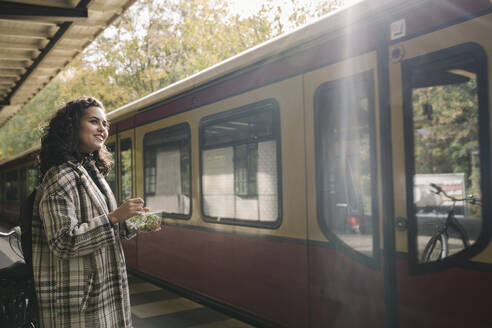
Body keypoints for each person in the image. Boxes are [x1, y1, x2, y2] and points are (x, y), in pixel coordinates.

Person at [32, 97, 148, 327]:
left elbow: (101, 223)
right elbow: (63, 241)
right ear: (72, 127)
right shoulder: (60, 177)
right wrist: (114, 216)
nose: (102, 129)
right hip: (79, 299)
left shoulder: (91, 172)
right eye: (94, 122)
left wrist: (128, 221)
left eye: (105, 124)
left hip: (100, 290)